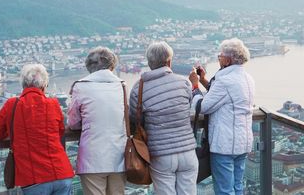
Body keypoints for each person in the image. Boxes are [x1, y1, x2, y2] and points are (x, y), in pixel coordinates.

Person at [0, 64, 74, 195]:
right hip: (61, 173)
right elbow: (60, 132)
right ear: (44, 85)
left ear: (23, 84)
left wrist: (12, 130)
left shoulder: (12, 105)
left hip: (33, 178)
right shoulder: (53, 104)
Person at [129, 41, 198, 195]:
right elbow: (188, 106)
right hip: (187, 150)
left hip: (160, 153)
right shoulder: (184, 83)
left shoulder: (138, 90)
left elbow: (135, 119)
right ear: (169, 61)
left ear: (149, 63)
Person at [189, 38, 255, 195]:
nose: (218, 58)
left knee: (224, 190)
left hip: (225, 144)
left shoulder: (225, 80)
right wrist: (204, 80)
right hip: (243, 142)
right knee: (237, 187)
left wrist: (195, 86)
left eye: (220, 56)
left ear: (228, 59)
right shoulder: (248, 78)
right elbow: (223, 96)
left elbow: (202, 106)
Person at [68, 46, 127, 195]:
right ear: (112, 65)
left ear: (89, 66)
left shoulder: (80, 86)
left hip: (91, 158)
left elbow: (73, 123)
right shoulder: (122, 85)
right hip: (119, 156)